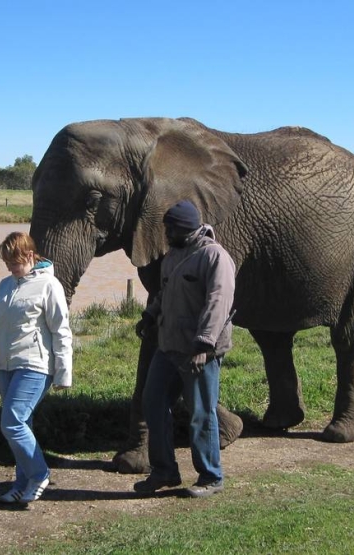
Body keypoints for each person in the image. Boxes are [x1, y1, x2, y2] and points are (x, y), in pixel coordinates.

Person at [133, 200, 236, 498]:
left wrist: (203, 345)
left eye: (170, 228)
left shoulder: (214, 257)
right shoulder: (173, 256)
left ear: (183, 228)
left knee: (201, 413)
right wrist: (150, 315)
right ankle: (164, 471)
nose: (166, 233)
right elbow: (164, 293)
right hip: (168, 347)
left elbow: (218, 303)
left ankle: (210, 476)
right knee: (152, 402)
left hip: (200, 351)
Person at [0, 231, 72, 505]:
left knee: (12, 422)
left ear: (29, 255)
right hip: (6, 367)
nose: (10, 268)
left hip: (36, 365)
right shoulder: (5, 285)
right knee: (21, 424)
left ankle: (39, 474)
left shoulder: (49, 285)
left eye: (14, 263)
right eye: (6, 264)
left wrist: (64, 371)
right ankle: (20, 485)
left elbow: (61, 331)